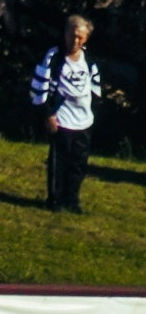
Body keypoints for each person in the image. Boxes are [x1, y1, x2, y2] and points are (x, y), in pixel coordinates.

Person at [31, 15, 101, 214]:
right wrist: (47, 114)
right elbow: (39, 86)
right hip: (62, 120)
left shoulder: (89, 61)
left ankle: (73, 199)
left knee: (78, 163)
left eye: (80, 37)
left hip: (83, 121)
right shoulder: (54, 57)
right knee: (59, 162)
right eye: (72, 35)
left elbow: (95, 89)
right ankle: (55, 199)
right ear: (65, 34)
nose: (75, 41)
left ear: (86, 38)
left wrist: (93, 111)